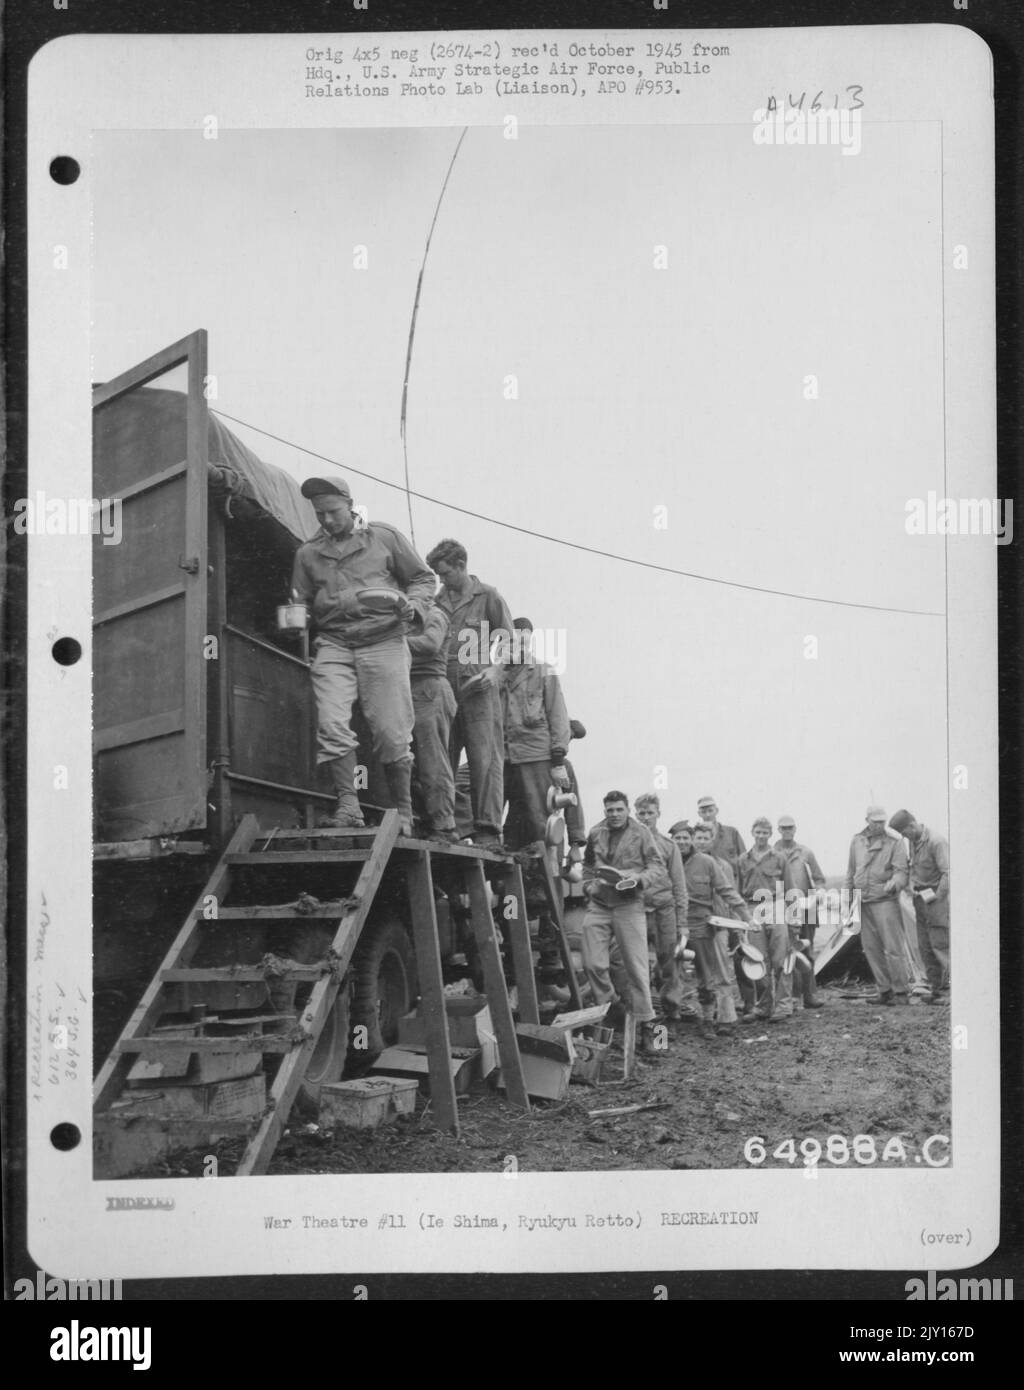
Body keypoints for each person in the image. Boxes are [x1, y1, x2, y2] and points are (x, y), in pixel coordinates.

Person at [291, 477, 435, 835]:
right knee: (332, 722)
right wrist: (295, 619)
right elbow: (298, 600)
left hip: (384, 639)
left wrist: (414, 606)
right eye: (319, 514)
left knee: (391, 730)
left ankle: (402, 811)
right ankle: (349, 806)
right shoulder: (308, 553)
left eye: (333, 512)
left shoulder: (383, 537)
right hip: (334, 643)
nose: (326, 520)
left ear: (350, 505)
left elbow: (423, 579)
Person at [426, 539, 514, 848]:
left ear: (462, 566)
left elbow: (508, 643)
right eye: (437, 575)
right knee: (441, 759)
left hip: (479, 689)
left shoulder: (488, 596)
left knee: (485, 759)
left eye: (446, 573)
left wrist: (494, 670)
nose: (442, 580)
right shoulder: (435, 602)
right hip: (443, 689)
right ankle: (445, 825)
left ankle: (488, 830)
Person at [581, 791, 668, 1058]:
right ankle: (612, 1009)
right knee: (593, 963)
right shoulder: (596, 833)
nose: (615, 814)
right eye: (610, 810)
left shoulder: (641, 833)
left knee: (637, 969)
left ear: (627, 809)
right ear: (605, 811)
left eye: (619, 809)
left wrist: (638, 879)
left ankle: (648, 1026)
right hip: (600, 904)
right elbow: (587, 865)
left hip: (629, 905)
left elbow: (657, 867)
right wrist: (588, 885)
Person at [670, 821, 750, 1039]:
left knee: (709, 975)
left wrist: (746, 916)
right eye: (679, 838)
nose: (684, 842)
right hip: (672, 926)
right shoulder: (666, 861)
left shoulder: (709, 863)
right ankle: (670, 1023)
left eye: (687, 837)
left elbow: (727, 890)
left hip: (704, 926)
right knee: (668, 975)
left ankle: (711, 1020)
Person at [501, 618, 572, 850]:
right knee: (511, 827)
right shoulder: (498, 675)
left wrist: (558, 760)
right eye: (514, 636)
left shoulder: (544, 671)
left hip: (536, 758)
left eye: (524, 636)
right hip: (504, 760)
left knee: (545, 824)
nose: (519, 641)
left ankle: (550, 883)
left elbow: (558, 715)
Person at [843, 805, 910, 1004]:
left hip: (885, 902)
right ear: (867, 820)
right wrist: (847, 900)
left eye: (882, 821)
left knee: (893, 948)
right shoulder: (857, 841)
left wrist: (895, 883)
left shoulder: (895, 842)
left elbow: (901, 871)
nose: (880, 825)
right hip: (862, 902)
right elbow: (850, 872)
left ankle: (901, 993)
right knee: (871, 948)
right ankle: (884, 990)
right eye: (875, 821)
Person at [633, 794, 691, 1019]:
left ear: (658, 814)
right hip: (635, 909)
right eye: (642, 813)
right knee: (633, 963)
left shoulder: (669, 846)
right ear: (636, 814)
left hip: (663, 911)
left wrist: (683, 923)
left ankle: (671, 1010)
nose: (646, 817)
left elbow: (679, 886)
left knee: (669, 962)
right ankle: (640, 1013)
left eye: (650, 813)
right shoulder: (629, 844)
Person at [407, 601, 459, 841]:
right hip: (402, 689)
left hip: (429, 688)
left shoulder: (434, 614)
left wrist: (387, 644)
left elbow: (430, 644)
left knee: (433, 760)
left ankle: (443, 824)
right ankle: (424, 819)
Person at [889, 810, 950, 1004]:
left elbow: (948, 873)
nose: (904, 837)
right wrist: (912, 887)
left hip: (936, 898)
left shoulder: (936, 841)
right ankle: (937, 989)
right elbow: (914, 868)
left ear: (912, 825)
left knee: (940, 945)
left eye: (905, 833)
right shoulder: (913, 841)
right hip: (920, 898)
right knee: (925, 946)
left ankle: (949, 992)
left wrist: (937, 898)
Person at [737, 819, 793, 1021]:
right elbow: (737, 891)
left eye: (765, 833)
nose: (761, 836)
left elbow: (790, 889)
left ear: (770, 834)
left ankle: (784, 1005)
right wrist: (742, 918)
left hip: (775, 905)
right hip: (752, 908)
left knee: (781, 959)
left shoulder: (779, 858)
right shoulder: (743, 859)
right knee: (757, 959)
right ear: (752, 832)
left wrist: (792, 918)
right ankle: (764, 1005)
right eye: (758, 832)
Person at [774, 816, 826, 1010]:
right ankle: (793, 997)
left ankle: (810, 995)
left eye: (790, 828)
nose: (787, 831)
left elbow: (819, 879)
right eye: (783, 828)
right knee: (787, 953)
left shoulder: (806, 853)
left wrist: (818, 893)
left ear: (795, 829)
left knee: (807, 951)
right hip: (784, 909)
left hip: (807, 909)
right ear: (778, 830)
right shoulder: (773, 853)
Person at [696, 795, 746, 875]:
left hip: (731, 878)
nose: (708, 814)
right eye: (704, 812)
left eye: (710, 811)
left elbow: (744, 858)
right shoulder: (695, 836)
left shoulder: (731, 832)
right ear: (699, 814)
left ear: (716, 811)